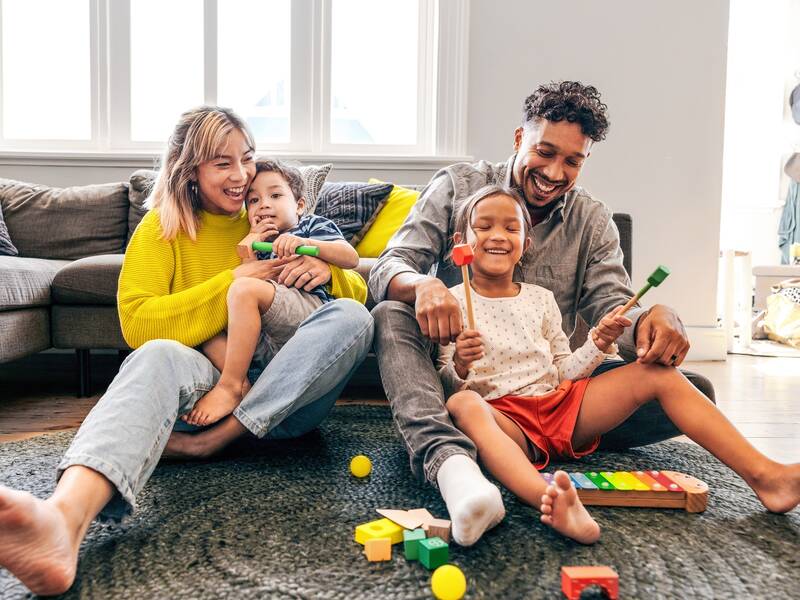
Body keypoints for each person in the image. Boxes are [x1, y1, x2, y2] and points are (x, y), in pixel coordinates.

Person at [0, 106, 373, 596]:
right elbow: (137, 324)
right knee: (154, 354)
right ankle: (60, 521)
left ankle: (216, 442)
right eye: (222, 163)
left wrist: (330, 273)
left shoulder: (271, 214)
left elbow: (351, 302)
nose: (242, 177)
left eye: (247, 158)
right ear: (188, 169)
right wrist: (232, 281)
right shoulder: (161, 230)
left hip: (292, 395)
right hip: (207, 393)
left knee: (354, 317)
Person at [368, 80, 717, 546]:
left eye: (572, 161)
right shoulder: (457, 185)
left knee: (695, 389)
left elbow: (613, 306)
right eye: (544, 151)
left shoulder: (592, 220)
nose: (554, 172)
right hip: (456, 386)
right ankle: (450, 456)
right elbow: (391, 265)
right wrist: (426, 284)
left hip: (549, 387)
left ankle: (520, 442)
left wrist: (653, 318)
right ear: (519, 139)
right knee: (391, 311)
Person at [438, 185, 799, 545]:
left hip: (559, 405)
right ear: (461, 242)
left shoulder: (541, 299)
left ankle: (767, 476)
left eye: (511, 228)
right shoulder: (450, 303)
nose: (497, 236)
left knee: (657, 374)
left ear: (526, 244)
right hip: (507, 423)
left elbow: (564, 370)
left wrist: (598, 341)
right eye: (484, 227)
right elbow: (447, 384)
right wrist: (461, 363)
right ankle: (549, 501)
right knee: (462, 404)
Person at [183, 159, 359, 426]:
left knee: (243, 290)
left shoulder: (310, 225)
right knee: (205, 328)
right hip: (265, 336)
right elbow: (244, 289)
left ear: (299, 205)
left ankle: (228, 386)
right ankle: (244, 388)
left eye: (275, 195)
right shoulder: (255, 240)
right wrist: (247, 254)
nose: (263, 204)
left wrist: (306, 244)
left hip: (307, 314)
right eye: (253, 201)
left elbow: (350, 257)